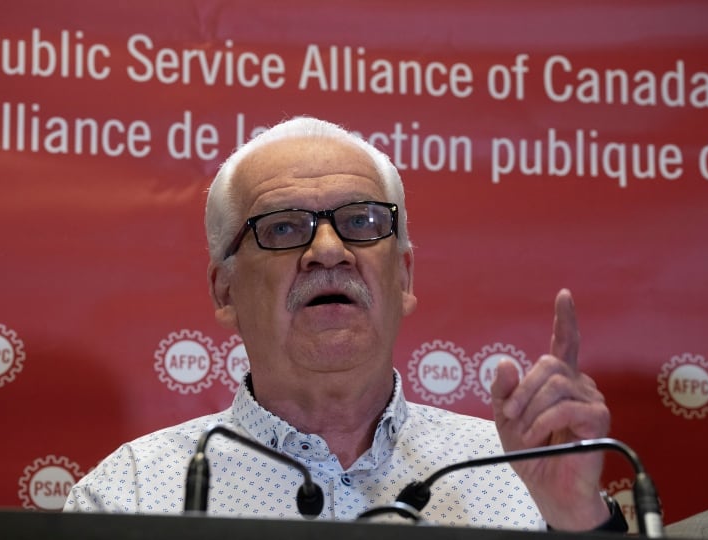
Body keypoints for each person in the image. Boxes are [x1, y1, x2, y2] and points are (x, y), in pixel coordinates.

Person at [64, 116, 625, 532]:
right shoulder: (132, 496)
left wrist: (577, 519)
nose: (328, 250)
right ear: (225, 289)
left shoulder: (520, 479)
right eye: (283, 228)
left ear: (402, 276)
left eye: (361, 222)